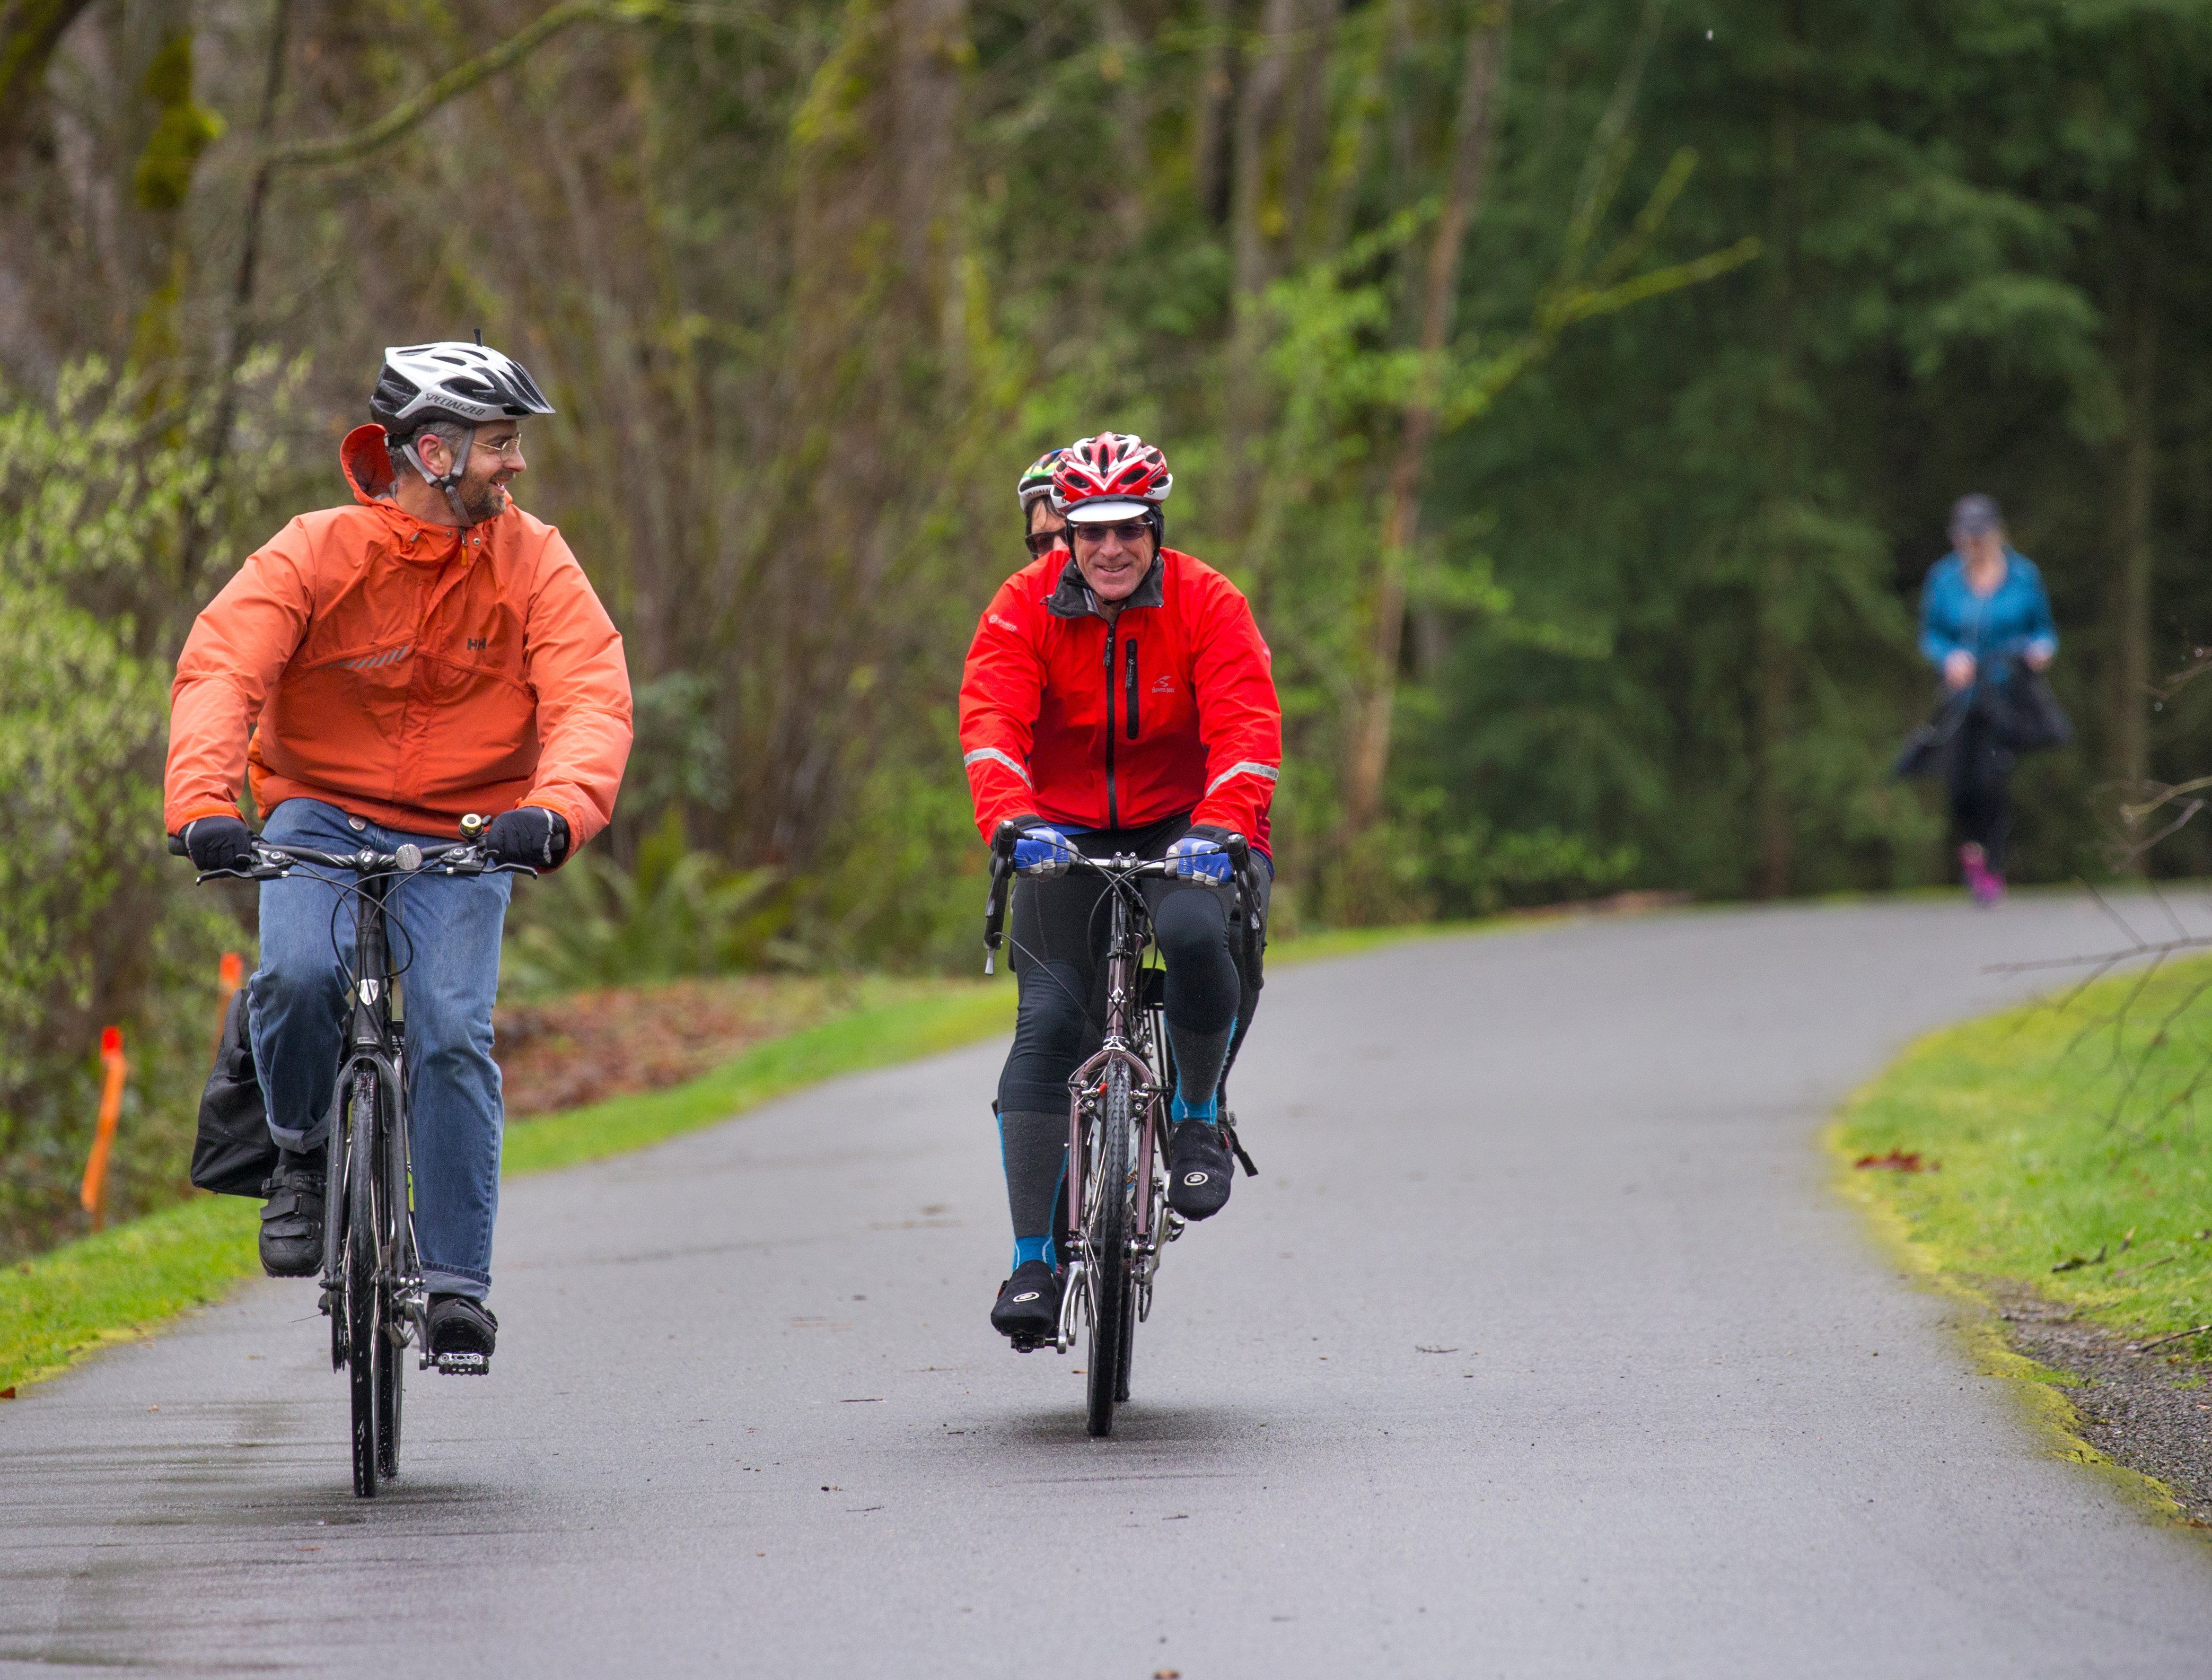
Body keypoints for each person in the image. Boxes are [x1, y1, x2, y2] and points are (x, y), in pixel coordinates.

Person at [164, 340, 634, 1368]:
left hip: (468, 827)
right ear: (432, 452)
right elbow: (222, 670)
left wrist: (554, 809)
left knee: (455, 1034)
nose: (514, 466)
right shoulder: (314, 551)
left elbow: (590, 693)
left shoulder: (535, 561)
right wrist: (204, 803)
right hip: (318, 817)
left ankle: (459, 1285)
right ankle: (298, 1153)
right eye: (499, 445)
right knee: (292, 978)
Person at [960, 432, 1283, 1344]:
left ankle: (1192, 1119)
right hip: (1061, 829)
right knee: (1050, 1022)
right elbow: (990, 720)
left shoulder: (1208, 600)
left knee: (1191, 936)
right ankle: (1032, 1259)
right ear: (1065, 532)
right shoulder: (1022, 607)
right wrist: (1012, 819)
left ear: (1155, 526)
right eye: (1090, 531)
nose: (1109, 548)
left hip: (1193, 820)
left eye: (1129, 530)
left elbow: (1248, 724)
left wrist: (1223, 821)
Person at [1918, 492, 2058, 904]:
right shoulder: (1942, 579)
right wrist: (1950, 658)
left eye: (1981, 535)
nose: (1974, 544)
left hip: (2008, 690)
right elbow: (1930, 634)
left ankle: (1994, 865)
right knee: (1961, 783)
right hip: (1963, 695)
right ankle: (1972, 852)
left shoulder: (2023, 576)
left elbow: (2044, 630)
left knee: (1996, 777)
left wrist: (2041, 650)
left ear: (1997, 533)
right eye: (1967, 536)